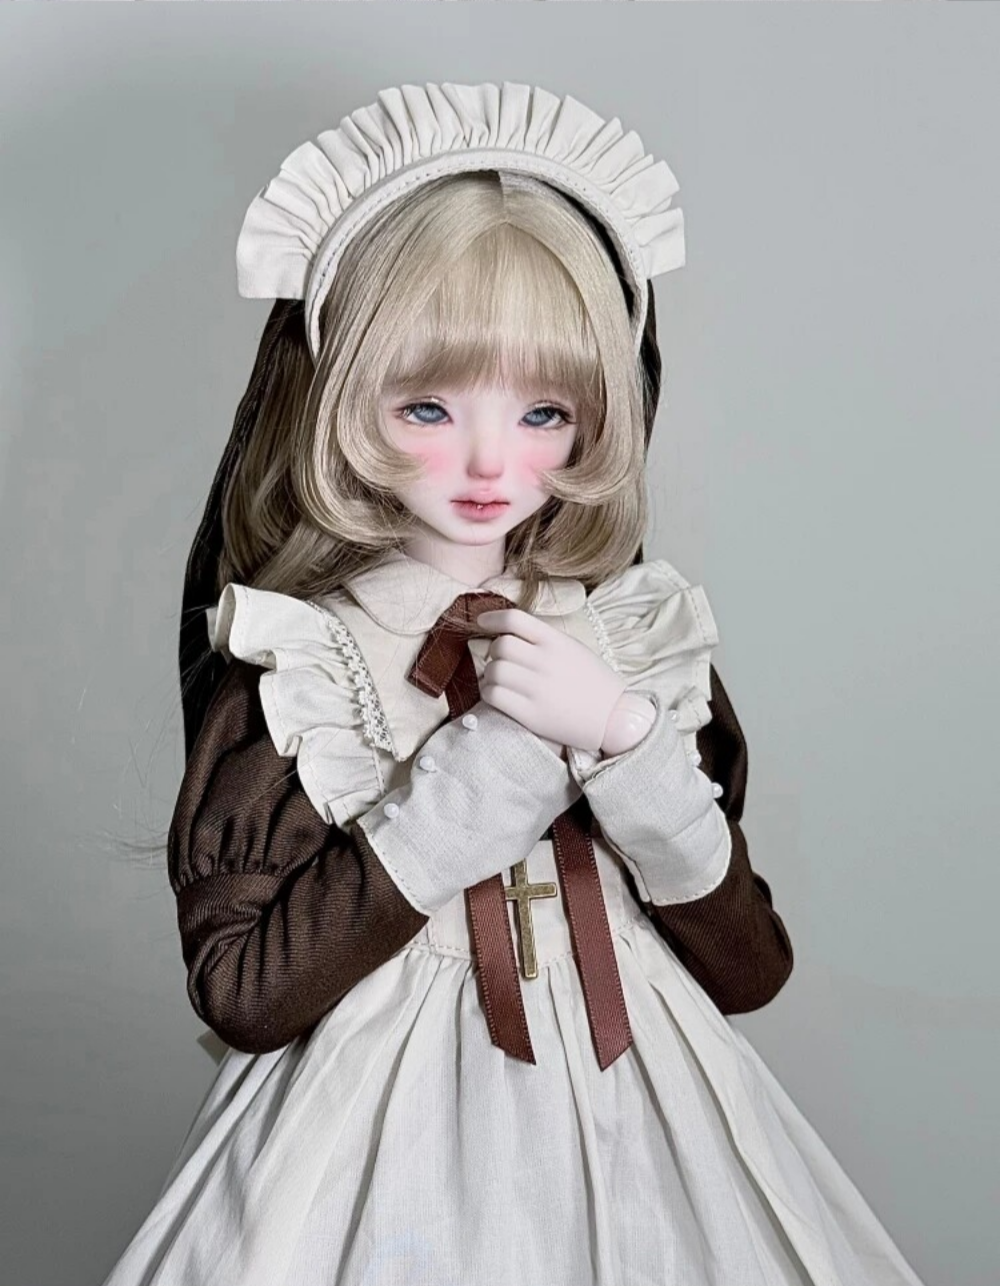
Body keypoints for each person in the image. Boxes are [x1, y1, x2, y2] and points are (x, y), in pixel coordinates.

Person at [101, 81, 926, 1286]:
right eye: (428, 406)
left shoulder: (626, 637)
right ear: (341, 398)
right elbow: (245, 994)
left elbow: (750, 968)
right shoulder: (303, 661)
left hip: (641, 1116)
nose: (490, 459)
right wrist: (468, 786)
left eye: (543, 410)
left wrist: (624, 738)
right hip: (372, 1142)